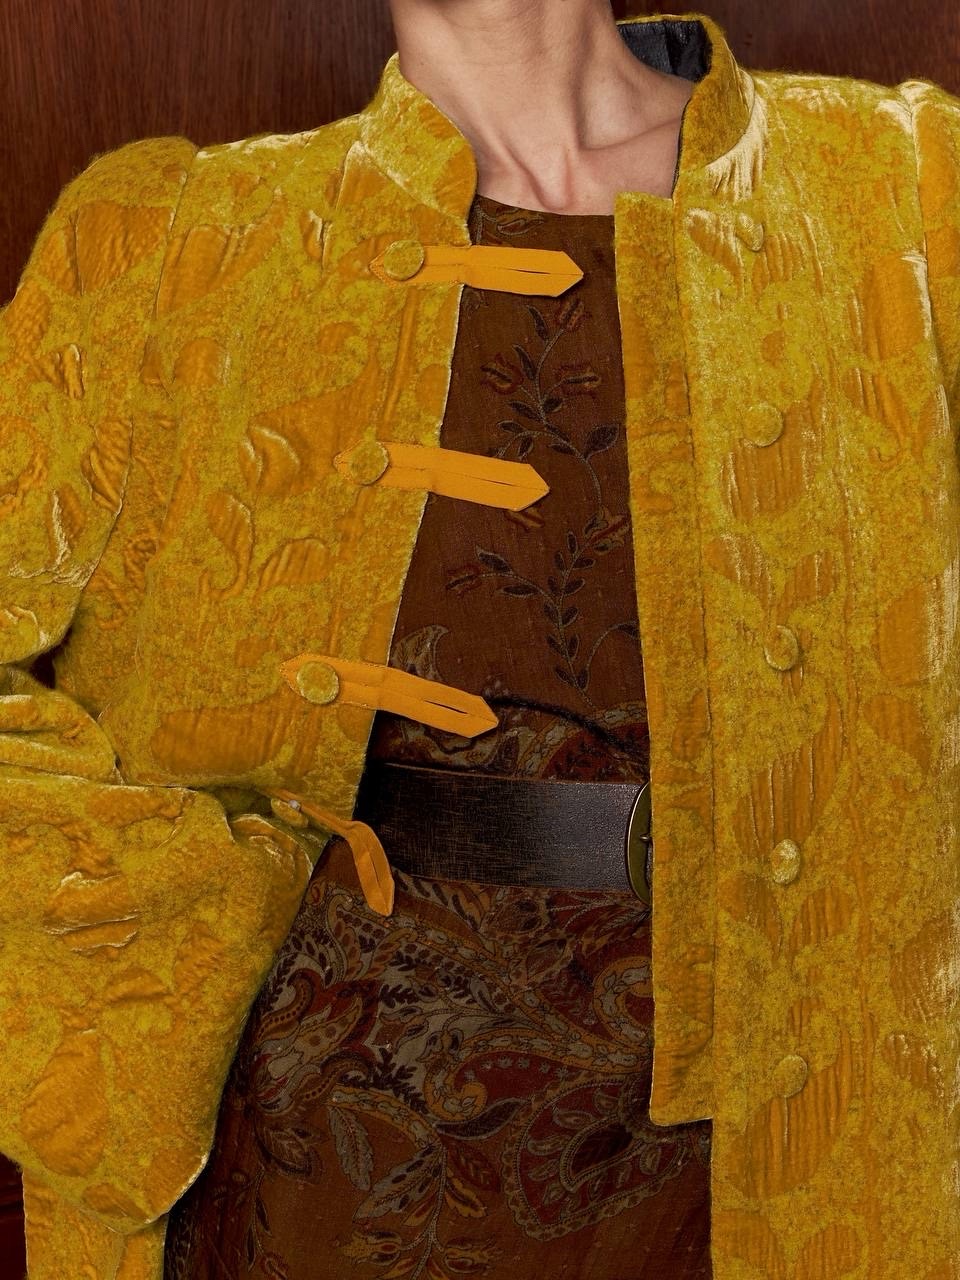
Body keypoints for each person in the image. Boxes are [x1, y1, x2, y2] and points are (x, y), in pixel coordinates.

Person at [0, 4, 958, 1278]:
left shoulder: (908, 196)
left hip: (810, 1146)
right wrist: (190, 942)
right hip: (330, 1174)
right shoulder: (170, 245)